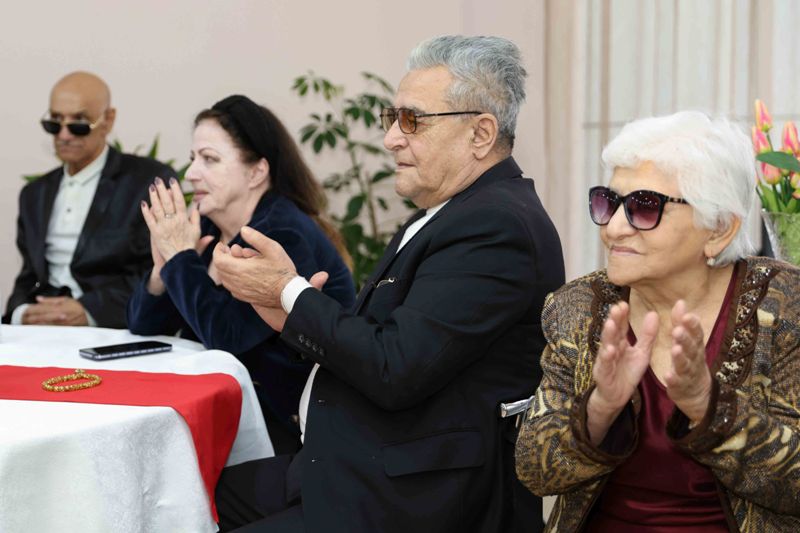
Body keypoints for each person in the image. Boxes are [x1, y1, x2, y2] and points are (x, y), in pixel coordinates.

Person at [211, 35, 565, 533]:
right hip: (356, 460)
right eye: (392, 118)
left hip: (413, 497)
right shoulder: (449, 212)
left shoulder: (496, 226)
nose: (391, 139)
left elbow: (394, 367)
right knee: (187, 489)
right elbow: (387, 340)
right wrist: (286, 311)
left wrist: (290, 291)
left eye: (412, 120)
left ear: (481, 134)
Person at [515, 111, 800, 531]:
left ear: (718, 229)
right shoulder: (579, 306)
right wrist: (600, 409)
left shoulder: (785, 307)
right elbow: (534, 471)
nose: (614, 228)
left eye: (644, 207)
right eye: (608, 202)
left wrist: (709, 407)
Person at [127, 95, 355, 454]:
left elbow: (228, 337)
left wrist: (181, 259)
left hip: (294, 435)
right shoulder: (206, 227)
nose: (191, 173)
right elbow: (143, 327)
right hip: (231, 411)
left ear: (256, 172)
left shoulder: (282, 234)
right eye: (192, 158)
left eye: (209, 159)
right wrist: (162, 270)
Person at [3, 71, 176, 328]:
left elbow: (157, 271)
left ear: (108, 119)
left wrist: (90, 311)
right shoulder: (34, 194)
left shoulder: (146, 182)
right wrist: (22, 313)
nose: (64, 135)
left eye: (79, 123)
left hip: (110, 329)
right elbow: (28, 276)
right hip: (40, 329)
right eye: (55, 122)